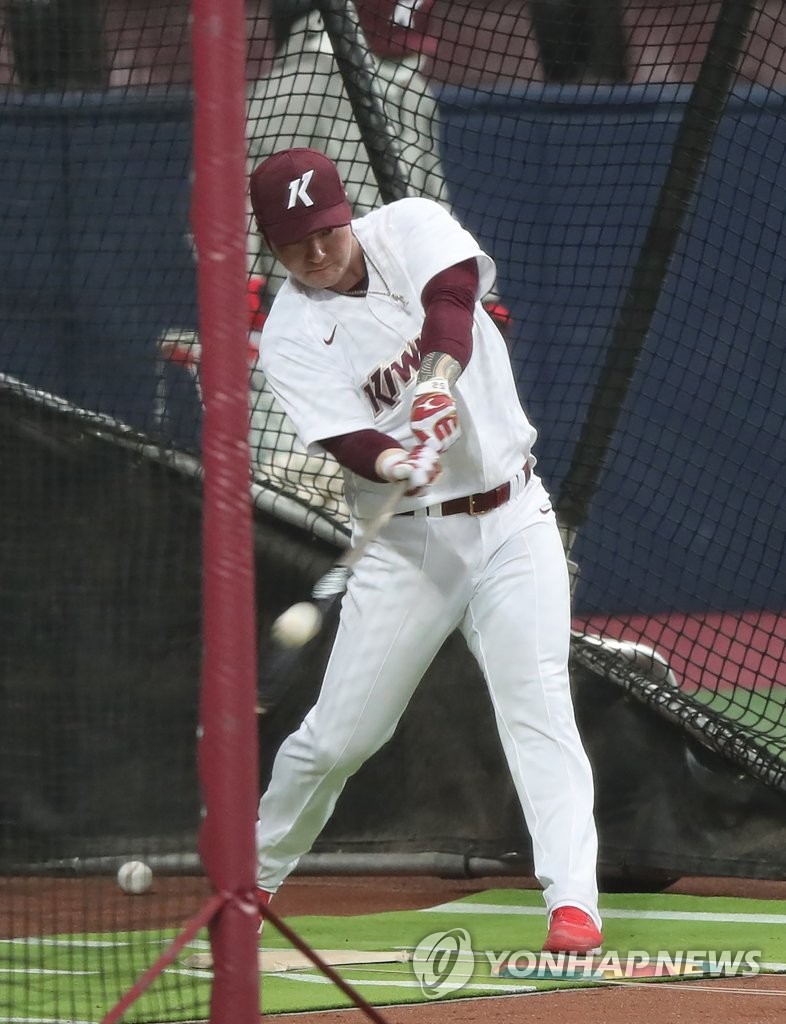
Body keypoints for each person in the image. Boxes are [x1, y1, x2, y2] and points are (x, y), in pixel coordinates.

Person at [249, 146, 603, 954]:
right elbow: (344, 437)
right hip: (407, 544)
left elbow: (453, 297)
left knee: (538, 702)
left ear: (347, 214)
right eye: (296, 241)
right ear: (271, 244)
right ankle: (253, 877)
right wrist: (392, 461)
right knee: (341, 739)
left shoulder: (409, 225)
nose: (317, 251)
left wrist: (438, 379)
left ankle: (573, 902)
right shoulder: (291, 335)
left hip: (514, 518)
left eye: (327, 229)